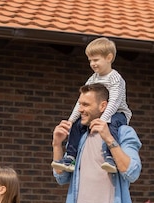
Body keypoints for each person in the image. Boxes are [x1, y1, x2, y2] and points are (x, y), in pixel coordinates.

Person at [51, 37, 132, 174]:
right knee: (77, 125)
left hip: (117, 112)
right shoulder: (93, 78)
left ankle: (110, 158)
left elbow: (114, 102)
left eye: (95, 60)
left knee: (111, 124)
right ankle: (71, 157)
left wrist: (103, 120)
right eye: (90, 60)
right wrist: (71, 120)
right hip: (100, 114)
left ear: (109, 57)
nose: (92, 64)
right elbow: (80, 102)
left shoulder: (116, 78)